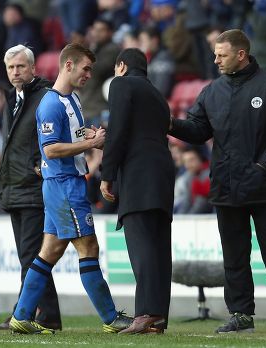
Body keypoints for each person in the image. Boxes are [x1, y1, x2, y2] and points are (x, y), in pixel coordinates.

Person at [169, 29, 266, 334]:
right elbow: (198, 130)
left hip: (264, 185)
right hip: (225, 185)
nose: (216, 60)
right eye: (214, 54)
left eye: (221, 55)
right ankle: (241, 315)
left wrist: (264, 165)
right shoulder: (212, 90)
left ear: (240, 54)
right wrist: (169, 123)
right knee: (234, 255)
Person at [9, 43, 132, 335]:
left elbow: (70, 134)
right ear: (68, 65)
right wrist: (90, 144)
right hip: (64, 186)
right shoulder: (51, 104)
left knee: (49, 251)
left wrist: (88, 134)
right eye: (85, 68)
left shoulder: (72, 100)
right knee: (88, 247)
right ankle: (111, 319)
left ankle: (21, 316)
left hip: (64, 185)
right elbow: (50, 150)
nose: (89, 74)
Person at [100, 48, 175, 334]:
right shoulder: (158, 95)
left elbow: (117, 130)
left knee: (142, 245)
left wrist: (107, 175)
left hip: (138, 174)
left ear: (121, 66)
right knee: (158, 247)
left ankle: (145, 313)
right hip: (162, 172)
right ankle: (157, 317)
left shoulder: (121, 84)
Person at [0, 44, 62, 330]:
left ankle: (25, 314)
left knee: (31, 257)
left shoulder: (45, 98)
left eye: (21, 66)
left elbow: (49, 137)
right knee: (34, 257)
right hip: (15, 188)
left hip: (33, 187)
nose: (16, 71)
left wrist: (39, 165)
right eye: (11, 67)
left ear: (33, 68)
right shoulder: (14, 99)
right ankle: (46, 315)